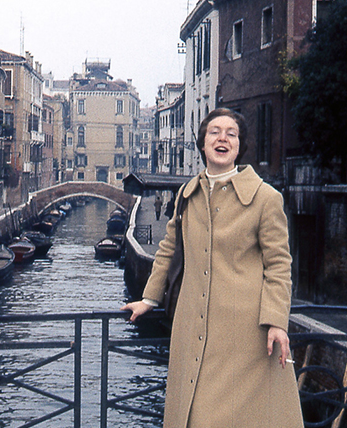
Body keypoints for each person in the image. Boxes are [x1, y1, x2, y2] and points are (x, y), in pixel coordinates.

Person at [121, 108, 304, 427]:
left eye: (231, 133)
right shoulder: (187, 194)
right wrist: (149, 298)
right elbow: (169, 249)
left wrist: (277, 321)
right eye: (214, 132)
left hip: (244, 336)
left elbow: (278, 265)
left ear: (239, 146)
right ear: (203, 144)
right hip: (192, 327)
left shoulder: (265, 199)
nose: (223, 138)